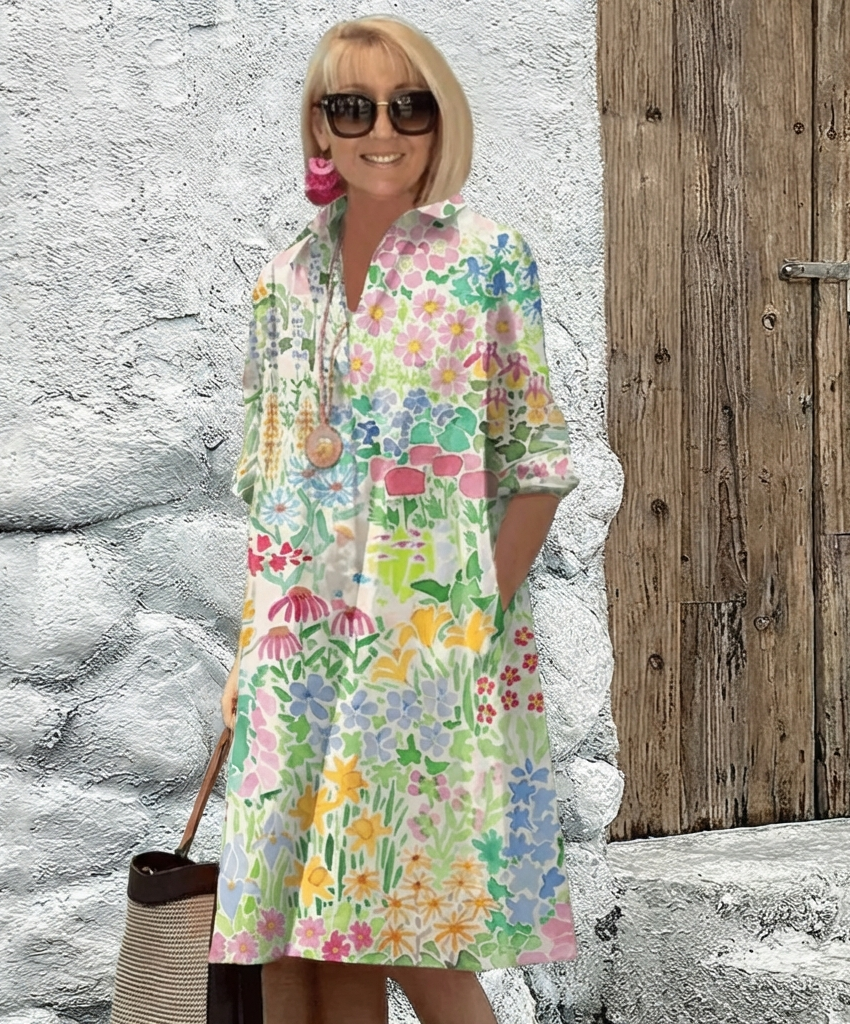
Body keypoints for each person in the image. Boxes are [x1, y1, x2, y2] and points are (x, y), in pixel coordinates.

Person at [212, 14, 580, 1024]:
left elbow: (537, 463)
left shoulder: (486, 259)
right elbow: (268, 479)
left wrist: (473, 622)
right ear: (318, 127)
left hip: (425, 651)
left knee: (410, 933)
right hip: (295, 652)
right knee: (308, 942)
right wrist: (249, 657)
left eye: (408, 106)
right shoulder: (283, 279)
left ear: (439, 118)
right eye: (353, 106)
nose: (382, 129)